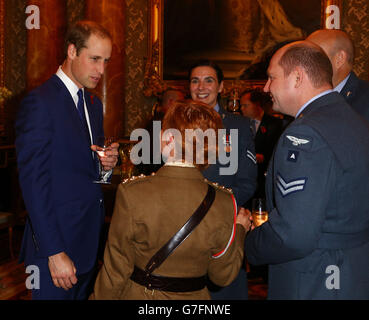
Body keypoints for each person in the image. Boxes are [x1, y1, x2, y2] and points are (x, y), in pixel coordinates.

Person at [90, 100, 251, 300]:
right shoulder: (225, 201)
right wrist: (241, 230)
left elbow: (116, 270)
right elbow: (222, 276)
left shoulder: (133, 193)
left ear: (165, 139)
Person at [245, 40, 369, 299]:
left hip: (314, 278)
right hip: (351, 270)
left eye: (271, 78)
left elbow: (293, 234)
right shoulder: (354, 119)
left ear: (298, 77)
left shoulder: (306, 133)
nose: (266, 88)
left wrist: (246, 242)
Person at [15, 21, 119, 300]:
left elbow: (85, 171)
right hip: (54, 248)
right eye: (94, 59)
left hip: (87, 242)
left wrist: (105, 167)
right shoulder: (40, 102)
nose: (101, 70)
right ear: (72, 51)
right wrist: (54, 252)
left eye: (106, 61)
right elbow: (33, 184)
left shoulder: (93, 104)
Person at [189, 60, 257, 300]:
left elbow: (247, 182)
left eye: (208, 80)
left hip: (223, 227)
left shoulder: (238, 126)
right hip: (181, 229)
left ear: (221, 87)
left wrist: (214, 209)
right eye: (195, 80)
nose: (201, 86)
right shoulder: (173, 124)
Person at [307, 29, 369, 122]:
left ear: (339, 59)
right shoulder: (301, 96)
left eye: (314, 57)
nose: (303, 65)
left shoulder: (365, 101)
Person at [239, 88, 284, 201]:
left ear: (257, 105)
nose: (241, 109)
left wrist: (263, 158)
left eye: (245, 105)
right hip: (244, 180)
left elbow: (278, 152)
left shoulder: (276, 124)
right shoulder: (239, 124)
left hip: (265, 182)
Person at [136, 88, 185, 176]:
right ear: (171, 102)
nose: (183, 107)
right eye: (180, 102)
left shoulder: (152, 121)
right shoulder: (165, 123)